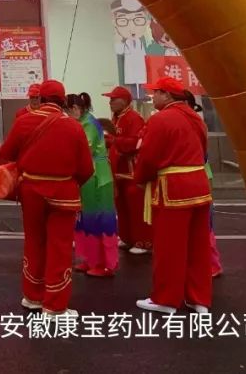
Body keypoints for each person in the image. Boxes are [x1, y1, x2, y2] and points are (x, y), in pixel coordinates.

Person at [1, 79, 93, 319]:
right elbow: (86, 168)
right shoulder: (73, 127)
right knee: (59, 247)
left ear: (41, 99)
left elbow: (6, 153)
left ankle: (33, 296)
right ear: (63, 101)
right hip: (63, 192)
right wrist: (71, 182)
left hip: (31, 190)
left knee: (34, 241)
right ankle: (55, 305)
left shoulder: (23, 121)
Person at [134, 77, 213, 315]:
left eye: (156, 93)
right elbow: (203, 150)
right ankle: (199, 299)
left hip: (173, 188)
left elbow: (148, 157)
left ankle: (166, 299)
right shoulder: (195, 118)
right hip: (199, 185)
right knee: (198, 246)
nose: (152, 97)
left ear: (167, 95)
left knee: (169, 247)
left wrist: (140, 178)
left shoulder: (161, 119)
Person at [68, 92, 119, 277]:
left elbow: (85, 150)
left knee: (101, 219)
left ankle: (105, 264)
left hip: (97, 176)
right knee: (86, 218)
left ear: (75, 108)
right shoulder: (82, 122)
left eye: (67, 111)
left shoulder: (88, 124)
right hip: (88, 175)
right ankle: (90, 259)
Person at [104, 85, 150, 255]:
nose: (110, 102)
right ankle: (127, 237)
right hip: (118, 170)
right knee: (122, 206)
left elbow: (136, 143)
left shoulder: (134, 118)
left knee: (136, 207)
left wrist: (113, 141)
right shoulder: (116, 118)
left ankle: (142, 241)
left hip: (131, 171)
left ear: (124, 101)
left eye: (113, 99)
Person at [183, 89, 223, 279]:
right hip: (197, 175)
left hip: (200, 175)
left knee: (205, 224)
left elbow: (200, 154)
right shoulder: (190, 120)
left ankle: (212, 265)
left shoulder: (194, 122)